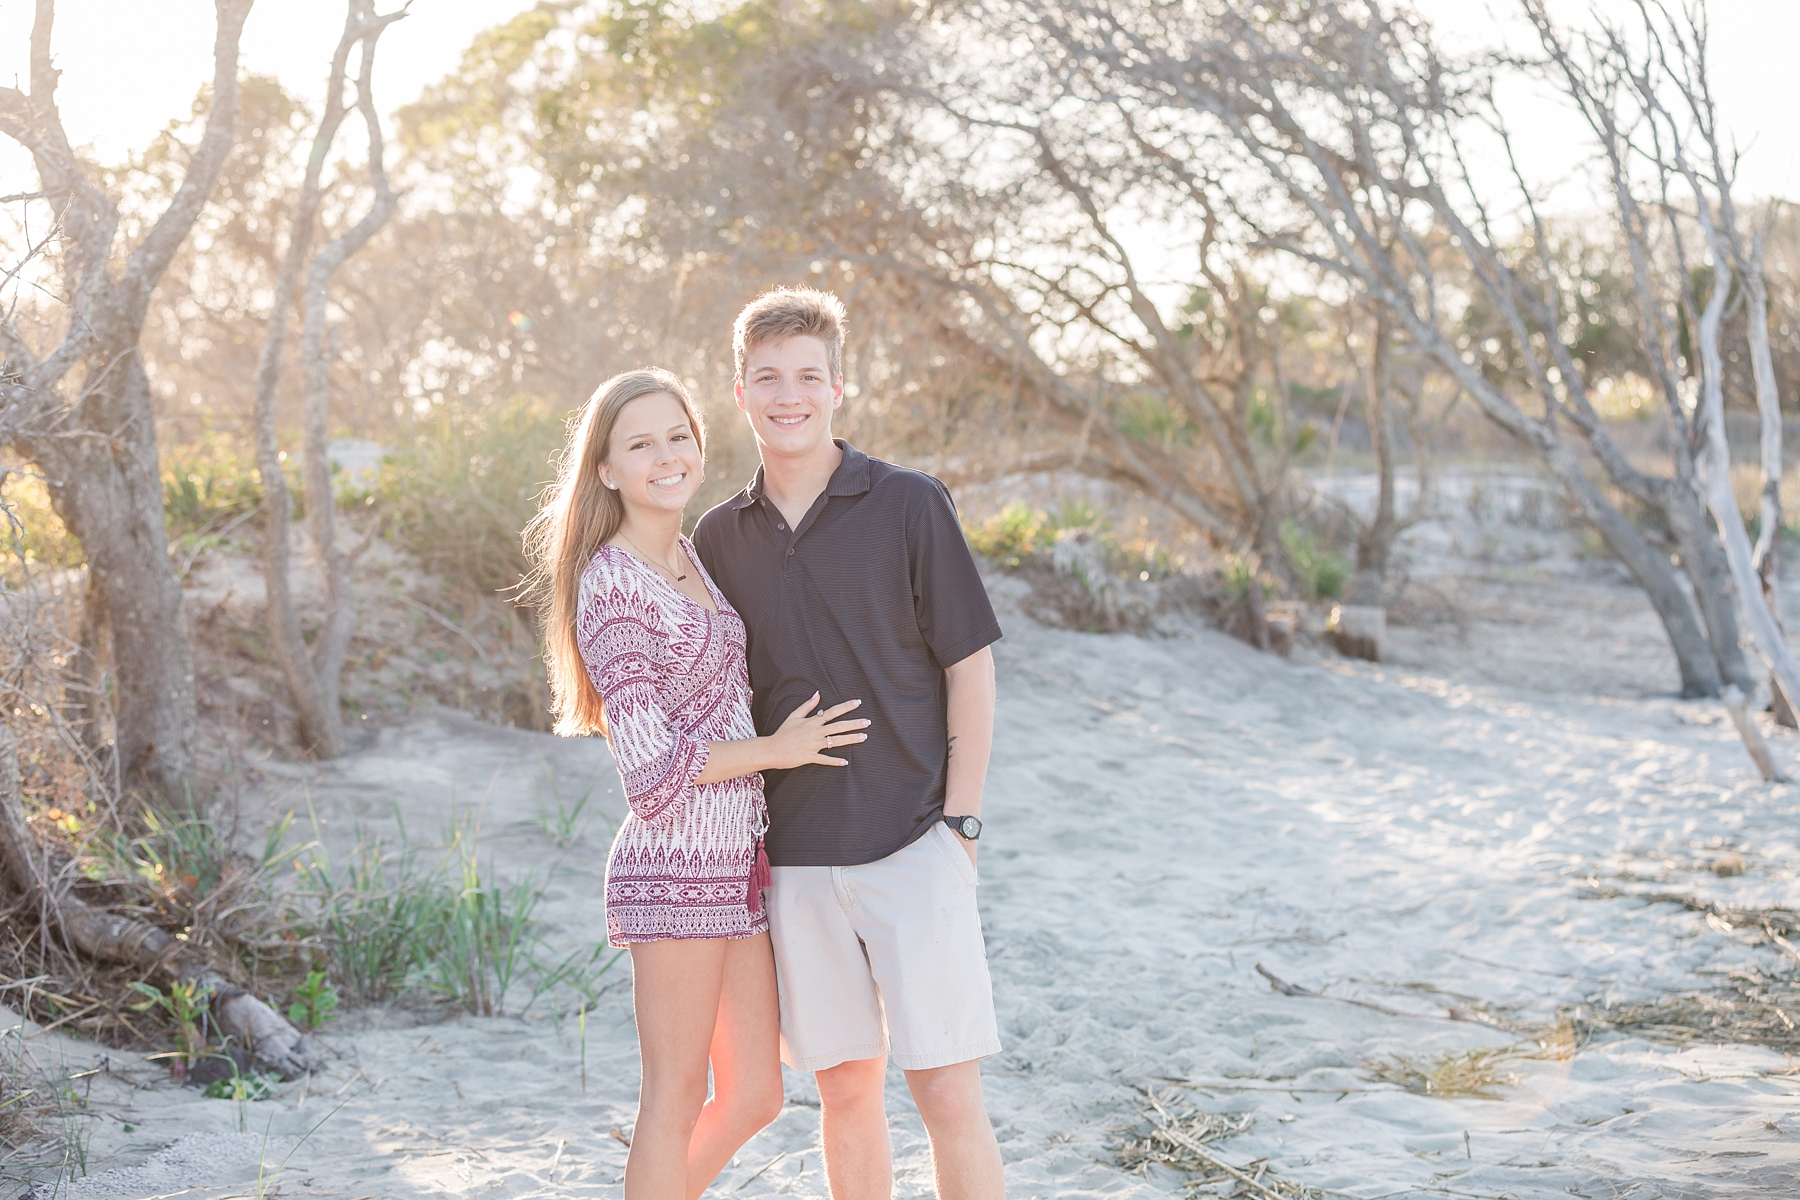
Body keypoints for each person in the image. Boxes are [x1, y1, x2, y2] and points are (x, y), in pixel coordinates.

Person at [523, 367, 871, 1200]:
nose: (667, 456)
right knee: (673, 1098)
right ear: (605, 469)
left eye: (678, 435)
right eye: (640, 444)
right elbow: (651, 771)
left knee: (755, 1092)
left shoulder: (688, 555)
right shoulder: (612, 586)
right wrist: (777, 750)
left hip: (733, 867)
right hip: (671, 869)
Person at [693, 290, 1007, 1200]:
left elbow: (971, 673)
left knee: (947, 1088)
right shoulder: (717, 536)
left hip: (914, 841)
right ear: (740, 391)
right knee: (844, 1089)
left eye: (806, 376)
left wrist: (963, 824)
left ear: (839, 386)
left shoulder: (909, 504)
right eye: (767, 378)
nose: (788, 395)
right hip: (792, 860)